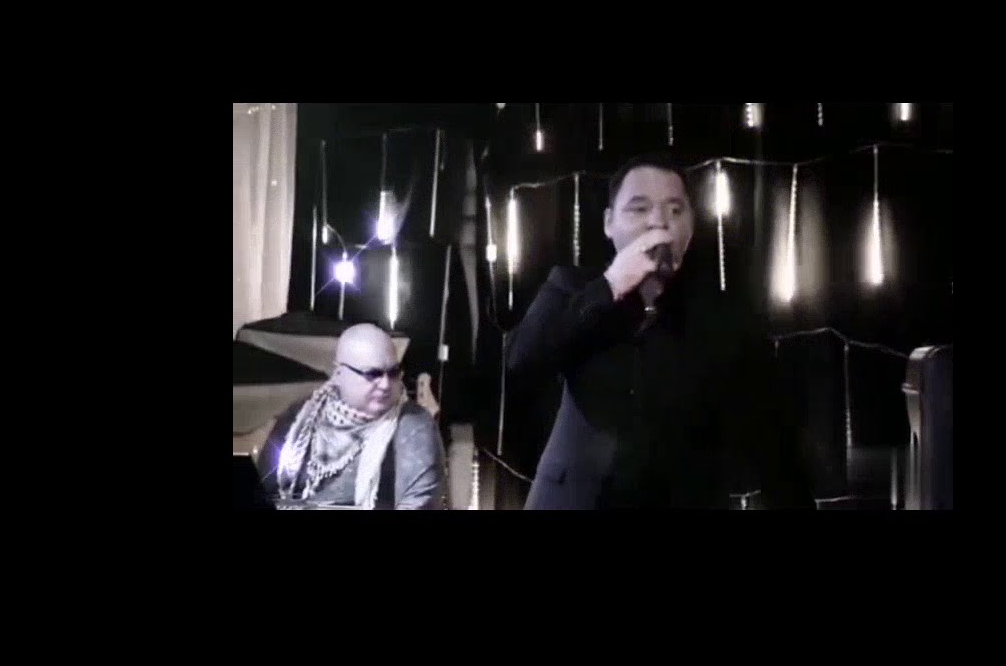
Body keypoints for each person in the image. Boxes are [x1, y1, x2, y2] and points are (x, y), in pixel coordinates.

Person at [508, 153, 803, 509]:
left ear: (690, 227)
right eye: (639, 208)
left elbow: (771, 435)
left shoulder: (721, 313)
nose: (659, 223)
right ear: (608, 223)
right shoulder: (570, 287)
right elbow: (522, 359)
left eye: (675, 211)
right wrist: (611, 285)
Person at [256, 324, 447, 509]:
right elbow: (263, 490)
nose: (385, 385)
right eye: (373, 374)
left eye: (393, 373)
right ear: (339, 374)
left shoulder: (413, 425)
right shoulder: (300, 417)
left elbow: (420, 503)